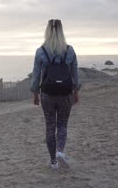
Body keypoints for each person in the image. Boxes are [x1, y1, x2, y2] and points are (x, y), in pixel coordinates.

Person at [30, 19, 80, 170]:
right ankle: (60, 151)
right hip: (65, 93)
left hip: (47, 94)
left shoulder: (41, 51)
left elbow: (36, 75)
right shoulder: (69, 50)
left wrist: (35, 93)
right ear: (61, 32)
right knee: (63, 125)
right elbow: (75, 74)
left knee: (50, 126)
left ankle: (53, 162)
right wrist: (76, 92)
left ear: (47, 31)